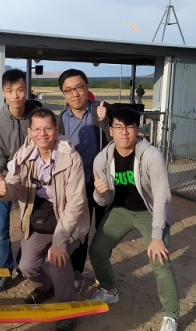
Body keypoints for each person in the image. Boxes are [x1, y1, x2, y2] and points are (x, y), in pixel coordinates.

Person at [87, 106, 180, 331]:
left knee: (159, 260)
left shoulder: (150, 156)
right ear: (111, 130)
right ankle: (110, 291)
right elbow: (104, 200)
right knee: (97, 250)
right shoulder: (103, 159)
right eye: (118, 127)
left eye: (129, 127)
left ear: (137, 129)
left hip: (149, 213)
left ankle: (170, 316)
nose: (124, 133)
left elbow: (161, 196)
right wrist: (99, 194)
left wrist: (157, 235)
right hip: (120, 210)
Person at [0, 108, 89, 331]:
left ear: (56, 129)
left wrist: (59, 242)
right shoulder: (24, 156)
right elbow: (13, 187)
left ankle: (66, 308)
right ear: (30, 132)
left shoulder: (71, 157)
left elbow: (75, 203)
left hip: (67, 219)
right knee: (26, 266)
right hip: (37, 218)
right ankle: (46, 287)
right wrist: (3, 190)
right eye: (37, 129)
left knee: (58, 261)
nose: (43, 133)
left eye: (48, 128)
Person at [56, 69, 111, 294]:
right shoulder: (59, 120)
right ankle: (77, 271)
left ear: (87, 87)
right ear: (63, 94)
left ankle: (102, 270)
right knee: (80, 231)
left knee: (104, 229)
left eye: (79, 88)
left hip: (101, 181)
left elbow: (114, 140)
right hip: (77, 184)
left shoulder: (100, 111)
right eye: (69, 90)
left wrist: (105, 121)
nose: (75, 94)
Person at [0, 68, 42, 291]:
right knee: (2, 227)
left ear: (26, 90)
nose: (16, 96)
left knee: (29, 223)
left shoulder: (38, 114)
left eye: (20, 90)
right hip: (7, 177)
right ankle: (5, 270)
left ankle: (23, 263)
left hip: (33, 179)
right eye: (10, 91)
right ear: (3, 92)